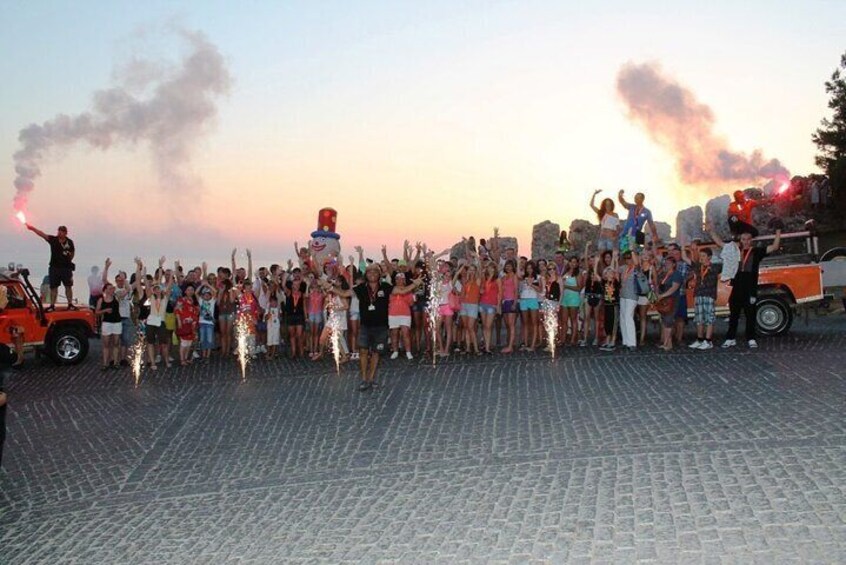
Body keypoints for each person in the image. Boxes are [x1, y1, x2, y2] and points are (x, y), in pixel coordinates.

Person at [338, 263, 421, 392]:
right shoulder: (361, 288)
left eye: (375, 271)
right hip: (365, 326)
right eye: (369, 271)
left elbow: (402, 291)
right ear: (366, 274)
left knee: (376, 353)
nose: (372, 274)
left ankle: (371, 379)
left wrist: (415, 284)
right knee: (363, 352)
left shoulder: (385, 287)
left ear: (379, 274)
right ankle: (364, 379)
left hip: (381, 326)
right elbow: (344, 293)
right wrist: (328, 286)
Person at [709, 224, 782, 348]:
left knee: (750, 313)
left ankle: (751, 338)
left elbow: (774, 247)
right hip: (737, 285)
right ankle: (730, 338)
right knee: (734, 314)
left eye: (748, 239)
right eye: (743, 239)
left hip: (750, 286)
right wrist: (711, 230)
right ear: (740, 240)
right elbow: (720, 243)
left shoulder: (756, 251)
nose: (746, 241)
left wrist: (778, 231)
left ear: (751, 240)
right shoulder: (734, 250)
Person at [25, 223, 77, 311]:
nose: (59, 233)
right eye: (59, 231)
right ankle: (52, 305)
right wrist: (33, 228)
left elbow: (72, 252)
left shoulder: (70, 242)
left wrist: (68, 260)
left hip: (66, 268)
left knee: (68, 286)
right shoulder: (53, 240)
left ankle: (70, 304)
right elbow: (42, 234)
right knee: (53, 287)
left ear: (65, 233)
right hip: (54, 267)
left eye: (61, 231)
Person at [683, 242, 722, 350]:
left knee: (709, 318)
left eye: (703, 256)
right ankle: (700, 339)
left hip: (709, 295)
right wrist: (684, 246)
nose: (701, 258)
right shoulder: (697, 267)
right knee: (699, 318)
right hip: (699, 294)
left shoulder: (715, 267)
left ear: (709, 257)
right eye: (700, 256)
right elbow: (684, 258)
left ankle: (708, 341)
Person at [654, 256, 683, 351]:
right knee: (664, 321)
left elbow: (674, 288)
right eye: (665, 263)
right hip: (663, 300)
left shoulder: (676, 274)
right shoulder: (664, 274)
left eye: (669, 263)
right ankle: (667, 342)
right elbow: (658, 284)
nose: (666, 265)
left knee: (668, 321)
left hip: (672, 300)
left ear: (674, 264)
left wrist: (662, 295)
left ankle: (667, 343)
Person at [95, 282, 123, 370]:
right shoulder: (101, 300)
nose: (112, 290)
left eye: (112, 288)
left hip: (117, 322)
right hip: (107, 323)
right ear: (105, 290)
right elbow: (96, 312)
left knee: (116, 343)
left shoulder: (116, 297)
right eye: (110, 288)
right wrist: (105, 310)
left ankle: (115, 362)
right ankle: (105, 363)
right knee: (106, 344)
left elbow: (127, 289)